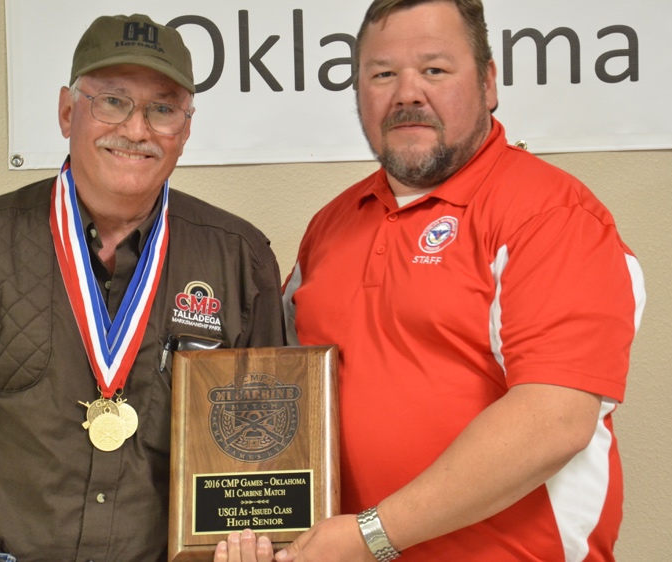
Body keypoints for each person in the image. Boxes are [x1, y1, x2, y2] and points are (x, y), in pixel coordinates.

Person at [0, 13, 284, 562]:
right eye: (113, 101)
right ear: (68, 111)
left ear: (185, 131)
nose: (137, 130)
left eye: (163, 109)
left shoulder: (240, 257)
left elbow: (266, 460)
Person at [269, 1, 646, 561]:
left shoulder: (552, 215)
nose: (407, 94)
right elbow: (282, 395)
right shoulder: (329, 227)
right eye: (382, 74)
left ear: (489, 82)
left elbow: (554, 420)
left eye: (435, 70)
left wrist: (371, 536)